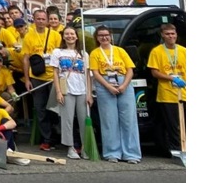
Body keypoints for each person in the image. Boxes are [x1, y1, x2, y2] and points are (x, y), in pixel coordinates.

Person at [89, 25, 141, 163]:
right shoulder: (95, 53)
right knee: (109, 120)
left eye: (106, 35)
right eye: (101, 36)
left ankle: (131, 154)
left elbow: (130, 69)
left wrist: (124, 85)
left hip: (124, 82)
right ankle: (112, 153)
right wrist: (108, 86)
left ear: (110, 36)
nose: (104, 37)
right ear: (97, 38)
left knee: (129, 120)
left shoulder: (120, 50)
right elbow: (95, 73)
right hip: (105, 84)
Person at [21, 9, 62, 151]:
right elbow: (25, 59)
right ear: (34, 19)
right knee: (40, 109)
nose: (41, 21)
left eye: (43, 19)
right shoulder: (28, 36)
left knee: (55, 109)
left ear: (47, 20)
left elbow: (60, 56)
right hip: (37, 77)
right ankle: (47, 139)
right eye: (38, 18)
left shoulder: (56, 35)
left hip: (53, 77)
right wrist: (27, 79)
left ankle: (58, 136)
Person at [146, 22, 186, 160]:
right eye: (167, 34)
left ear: (176, 35)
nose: (170, 36)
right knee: (174, 126)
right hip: (167, 94)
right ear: (162, 35)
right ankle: (177, 152)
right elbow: (155, 73)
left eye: (173, 34)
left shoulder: (183, 51)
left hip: (184, 92)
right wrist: (171, 78)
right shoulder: (157, 51)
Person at [50, 25, 90, 159]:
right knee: (67, 120)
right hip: (66, 90)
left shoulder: (84, 54)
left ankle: (85, 147)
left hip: (82, 90)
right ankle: (70, 147)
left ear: (77, 36)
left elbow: (88, 75)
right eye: (67, 34)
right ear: (63, 36)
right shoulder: (57, 52)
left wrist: (89, 93)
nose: (70, 36)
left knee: (84, 120)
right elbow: (55, 73)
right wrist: (58, 92)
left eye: (72, 34)